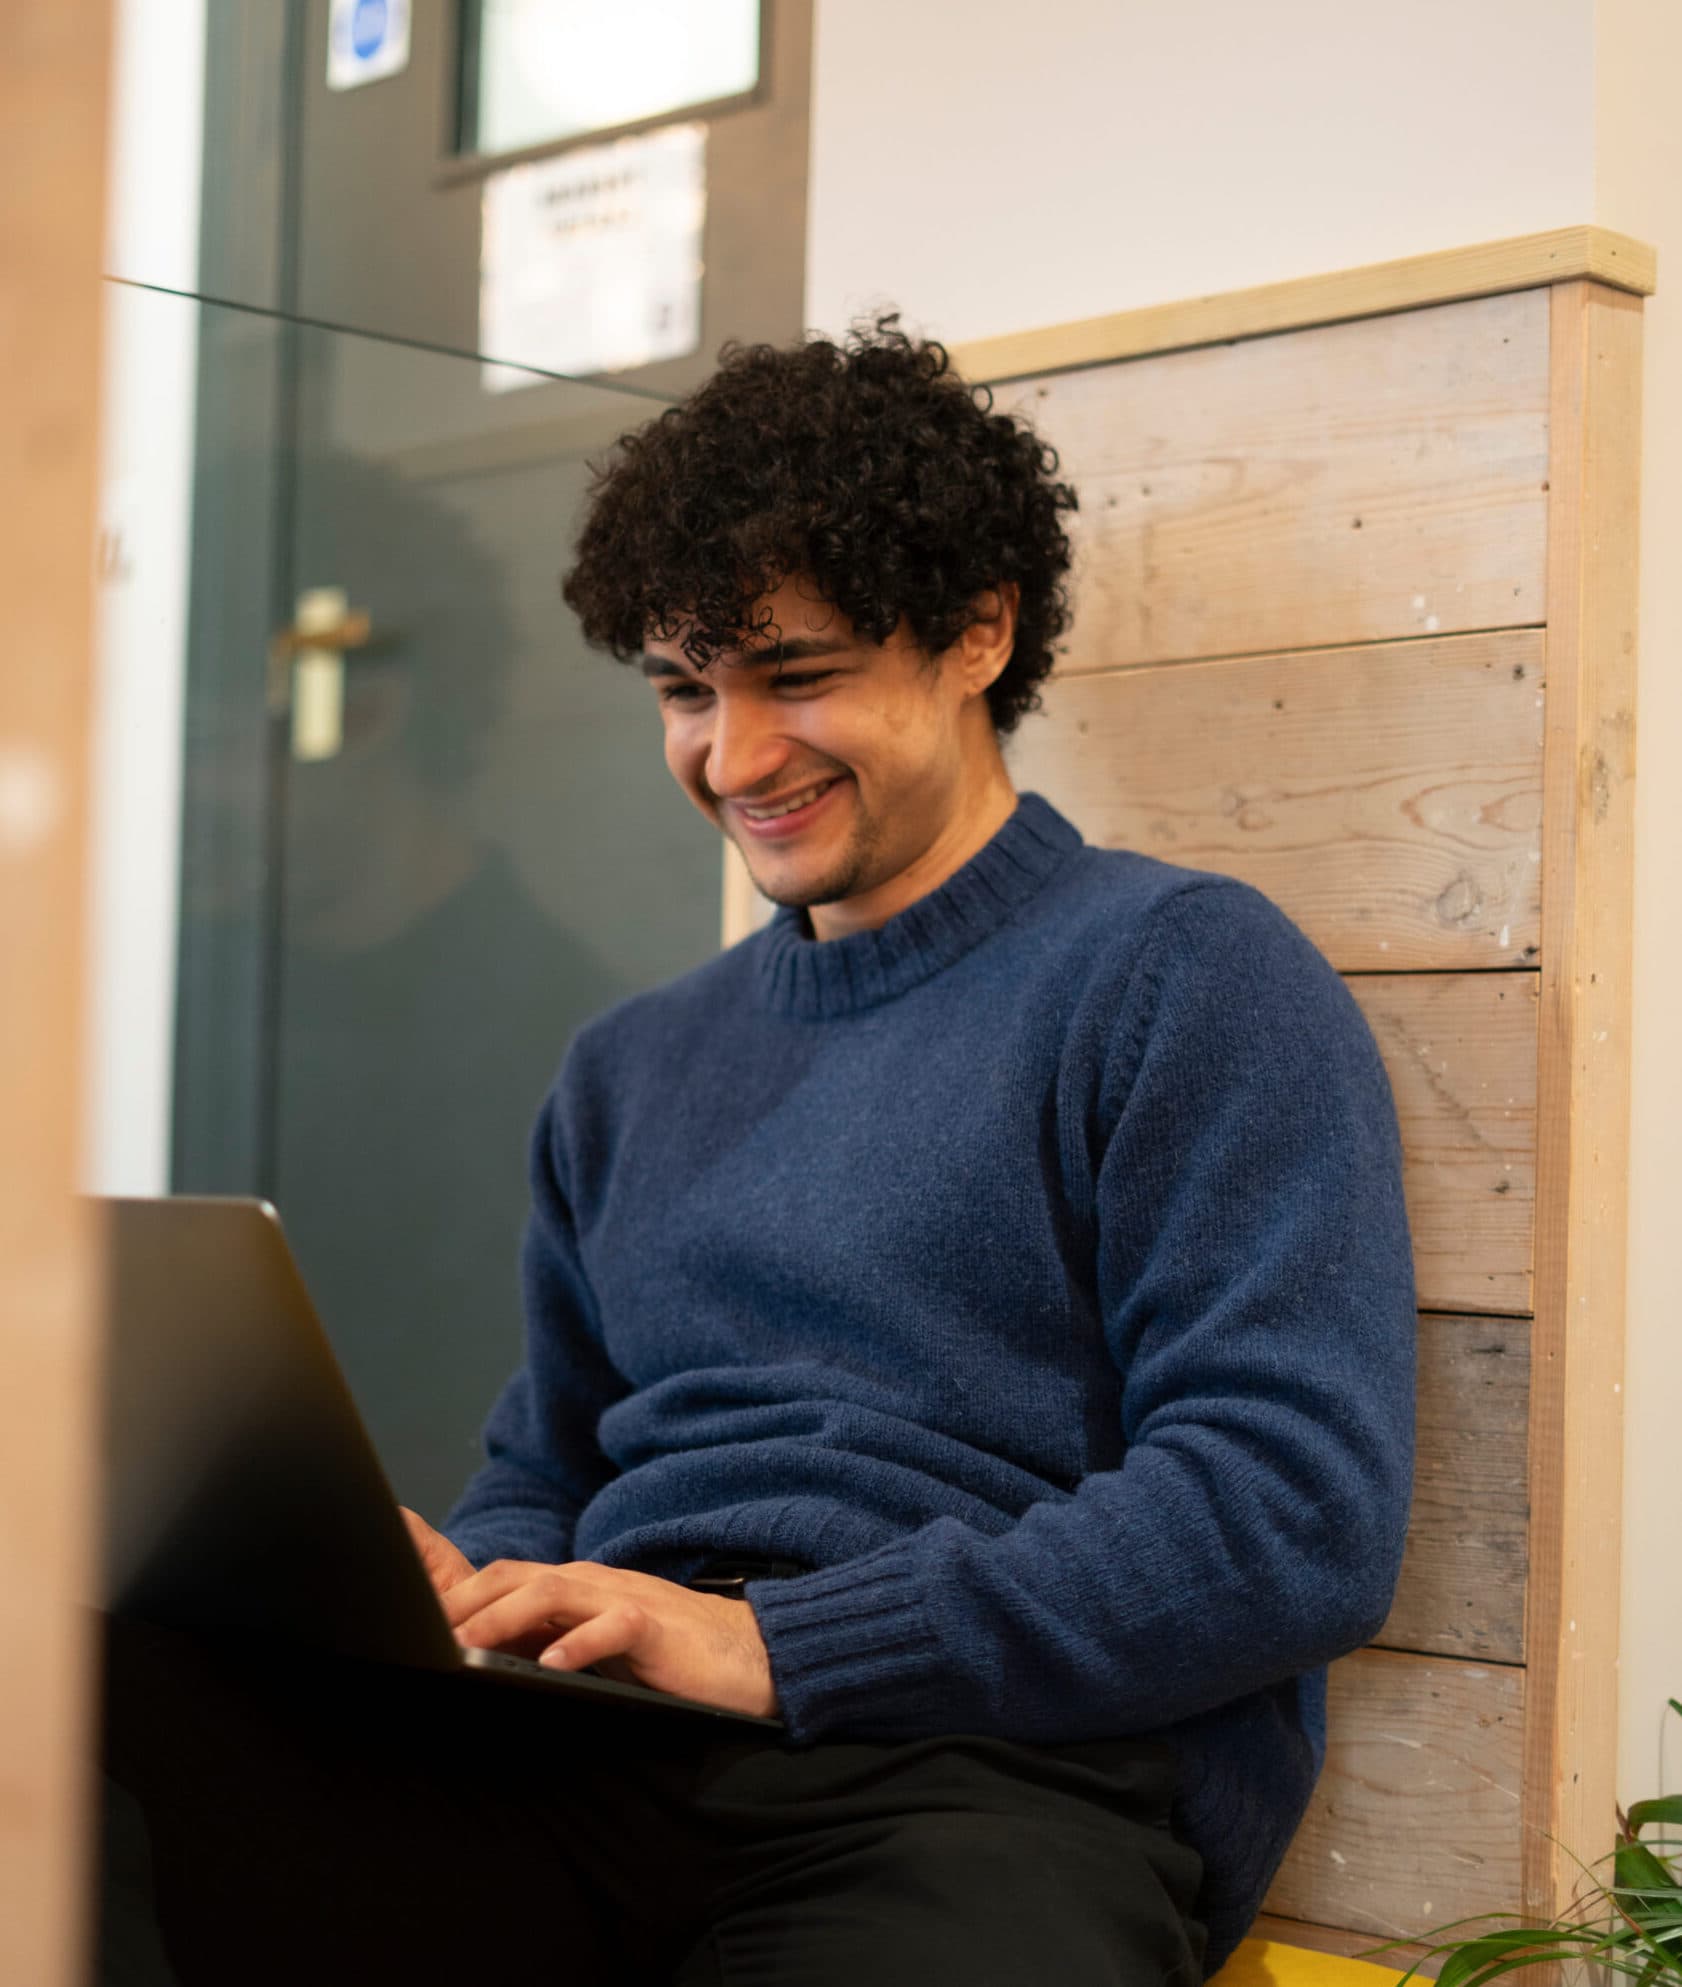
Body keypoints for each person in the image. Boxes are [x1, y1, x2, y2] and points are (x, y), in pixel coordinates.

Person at [101, 314, 1415, 1987]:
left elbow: (1286, 1515)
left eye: (795, 676)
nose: (732, 758)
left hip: (980, 1785)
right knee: (76, 1689)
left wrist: (775, 1645)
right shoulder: (627, 1068)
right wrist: (465, 1586)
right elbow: (547, 1470)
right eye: (682, 691)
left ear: (974, 633)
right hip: (579, 1761)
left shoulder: (1179, 976)